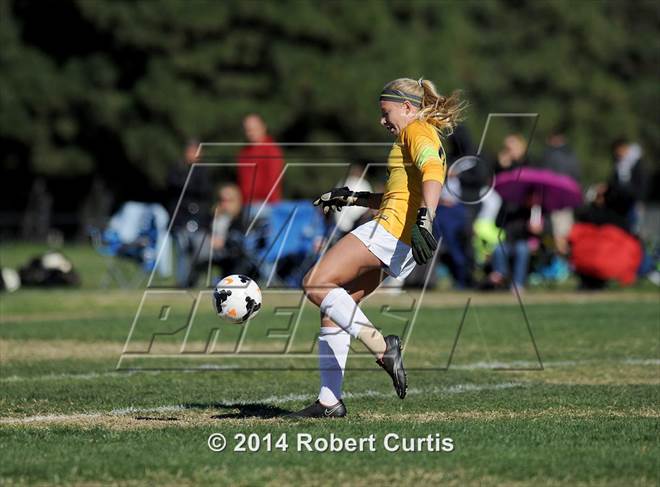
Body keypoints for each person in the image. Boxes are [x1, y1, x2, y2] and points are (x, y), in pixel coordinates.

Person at [287, 77, 465, 418]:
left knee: (315, 283)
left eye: (386, 112)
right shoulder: (416, 134)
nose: (382, 120)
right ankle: (329, 401)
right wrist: (354, 198)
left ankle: (383, 348)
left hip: (391, 230)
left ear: (407, 107)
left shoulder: (416, 130)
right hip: (402, 237)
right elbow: (401, 193)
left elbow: (432, 171)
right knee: (335, 306)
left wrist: (426, 218)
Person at [166, 139, 212, 288]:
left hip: (199, 219)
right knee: (182, 250)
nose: (192, 155)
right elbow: (173, 186)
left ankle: (196, 279)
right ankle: (182, 281)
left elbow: (204, 190)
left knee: (200, 251)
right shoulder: (177, 168)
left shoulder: (203, 171)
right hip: (180, 218)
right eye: (190, 151)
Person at [236, 114, 284, 206]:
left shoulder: (272, 150)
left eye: (254, 129)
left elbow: (273, 181)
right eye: (248, 130)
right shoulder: (243, 152)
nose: (251, 133)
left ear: (263, 127)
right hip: (245, 203)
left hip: (267, 204)